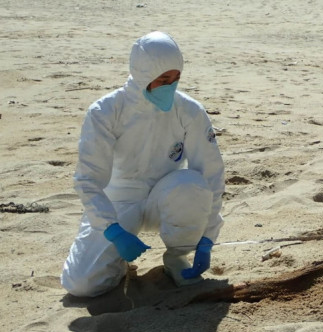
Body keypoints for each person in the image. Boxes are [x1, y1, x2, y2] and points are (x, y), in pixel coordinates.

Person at [61, 31, 225, 297]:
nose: (170, 86)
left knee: (191, 185)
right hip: (118, 202)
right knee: (82, 285)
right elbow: (88, 180)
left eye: (176, 78)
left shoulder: (189, 110)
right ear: (142, 75)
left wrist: (207, 239)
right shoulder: (105, 112)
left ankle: (177, 258)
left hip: (166, 196)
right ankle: (116, 263)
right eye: (163, 79)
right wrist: (112, 231)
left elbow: (212, 173)